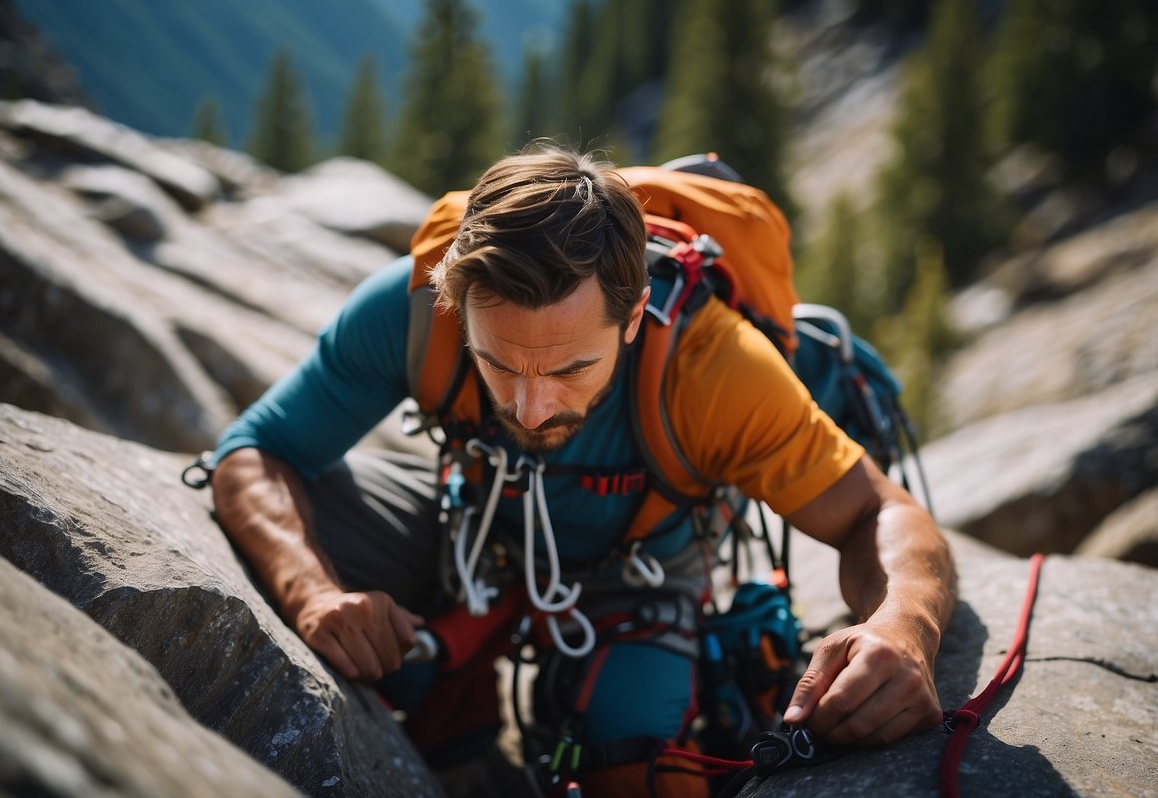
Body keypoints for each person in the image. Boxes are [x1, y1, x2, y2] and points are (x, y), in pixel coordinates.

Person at [208, 143, 956, 797]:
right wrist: (312, 594)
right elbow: (253, 452)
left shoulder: (711, 366)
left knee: (628, 746)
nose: (531, 408)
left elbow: (877, 512)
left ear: (632, 320)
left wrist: (903, 628)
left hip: (643, 575)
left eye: (569, 368)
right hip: (472, 527)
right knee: (291, 533)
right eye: (497, 363)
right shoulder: (408, 310)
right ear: (455, 304)